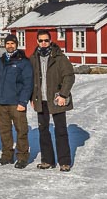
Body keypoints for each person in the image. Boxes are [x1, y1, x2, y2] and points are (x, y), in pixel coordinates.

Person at [30, 30, 76, 172]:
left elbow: (69, 76)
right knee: (43, 130)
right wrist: (32, 97)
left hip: (56, 99)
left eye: (46, 40)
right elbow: (30, 79)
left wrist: (63, 95)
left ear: (50, 41)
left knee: (60, 130)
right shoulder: (33, 58)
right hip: (40, 99)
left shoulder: (59, 57)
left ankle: (64, 161)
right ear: (37, 42)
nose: (43, 43)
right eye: (41, 41)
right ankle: (47, 160)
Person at [0, 34, 34, 168]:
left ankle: (22, 157)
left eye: (12, 43)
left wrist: (23, 102)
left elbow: (28, 83)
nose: (10, 46)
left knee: (21, 130)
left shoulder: (23, 62)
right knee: (4, 131)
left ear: (16, 45)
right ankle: (7, 155)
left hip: (17, 103)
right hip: (2, 102)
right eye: (7, 44)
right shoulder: (0, 61)